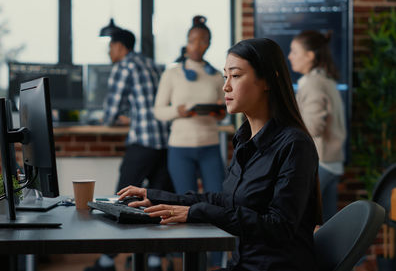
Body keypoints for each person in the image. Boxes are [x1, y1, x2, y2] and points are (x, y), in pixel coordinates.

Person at [117, 38, 323, 271]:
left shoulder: (294, 145)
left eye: (235, 76)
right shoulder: (245, 139)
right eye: (225, 76)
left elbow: (279, 226)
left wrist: (196, 212)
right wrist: (156, 196)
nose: (226, 86)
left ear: (267, 81)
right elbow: (225, 201)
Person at [85, 29, 174, 271]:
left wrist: (108, 119)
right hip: (166, 143)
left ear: (120, 47)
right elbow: (152, 102)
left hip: (143, 142)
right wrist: (133, 116)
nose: (109, 52)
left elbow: (111, 110)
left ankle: (107, 261)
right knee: (157, 200)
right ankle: (155, 260)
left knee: (120, 199)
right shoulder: (153, 65)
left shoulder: (124, 67)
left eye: (110, 47)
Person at [154, 15, 226, 269]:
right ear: (186, 42)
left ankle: (218, 260)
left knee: (217, 202)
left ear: (208, 44)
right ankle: (187, 259)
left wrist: (220, 111)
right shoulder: (172, 74)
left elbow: (224, 108)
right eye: (193, 40)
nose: (197, 45)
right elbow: (158, 111)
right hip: (180, 148)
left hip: (209, 145)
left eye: (203, 41)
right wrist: (178, 111)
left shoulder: (217, 75)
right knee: (183, 204)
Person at [288, 30, 346, 222]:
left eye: (294, 51)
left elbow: (312, 127)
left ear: (310, 55)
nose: (290, 57)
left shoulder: (312, 83)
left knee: (305, 224)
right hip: (331, 163)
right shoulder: (326, 80)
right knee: (326, 227)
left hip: (319, 163)